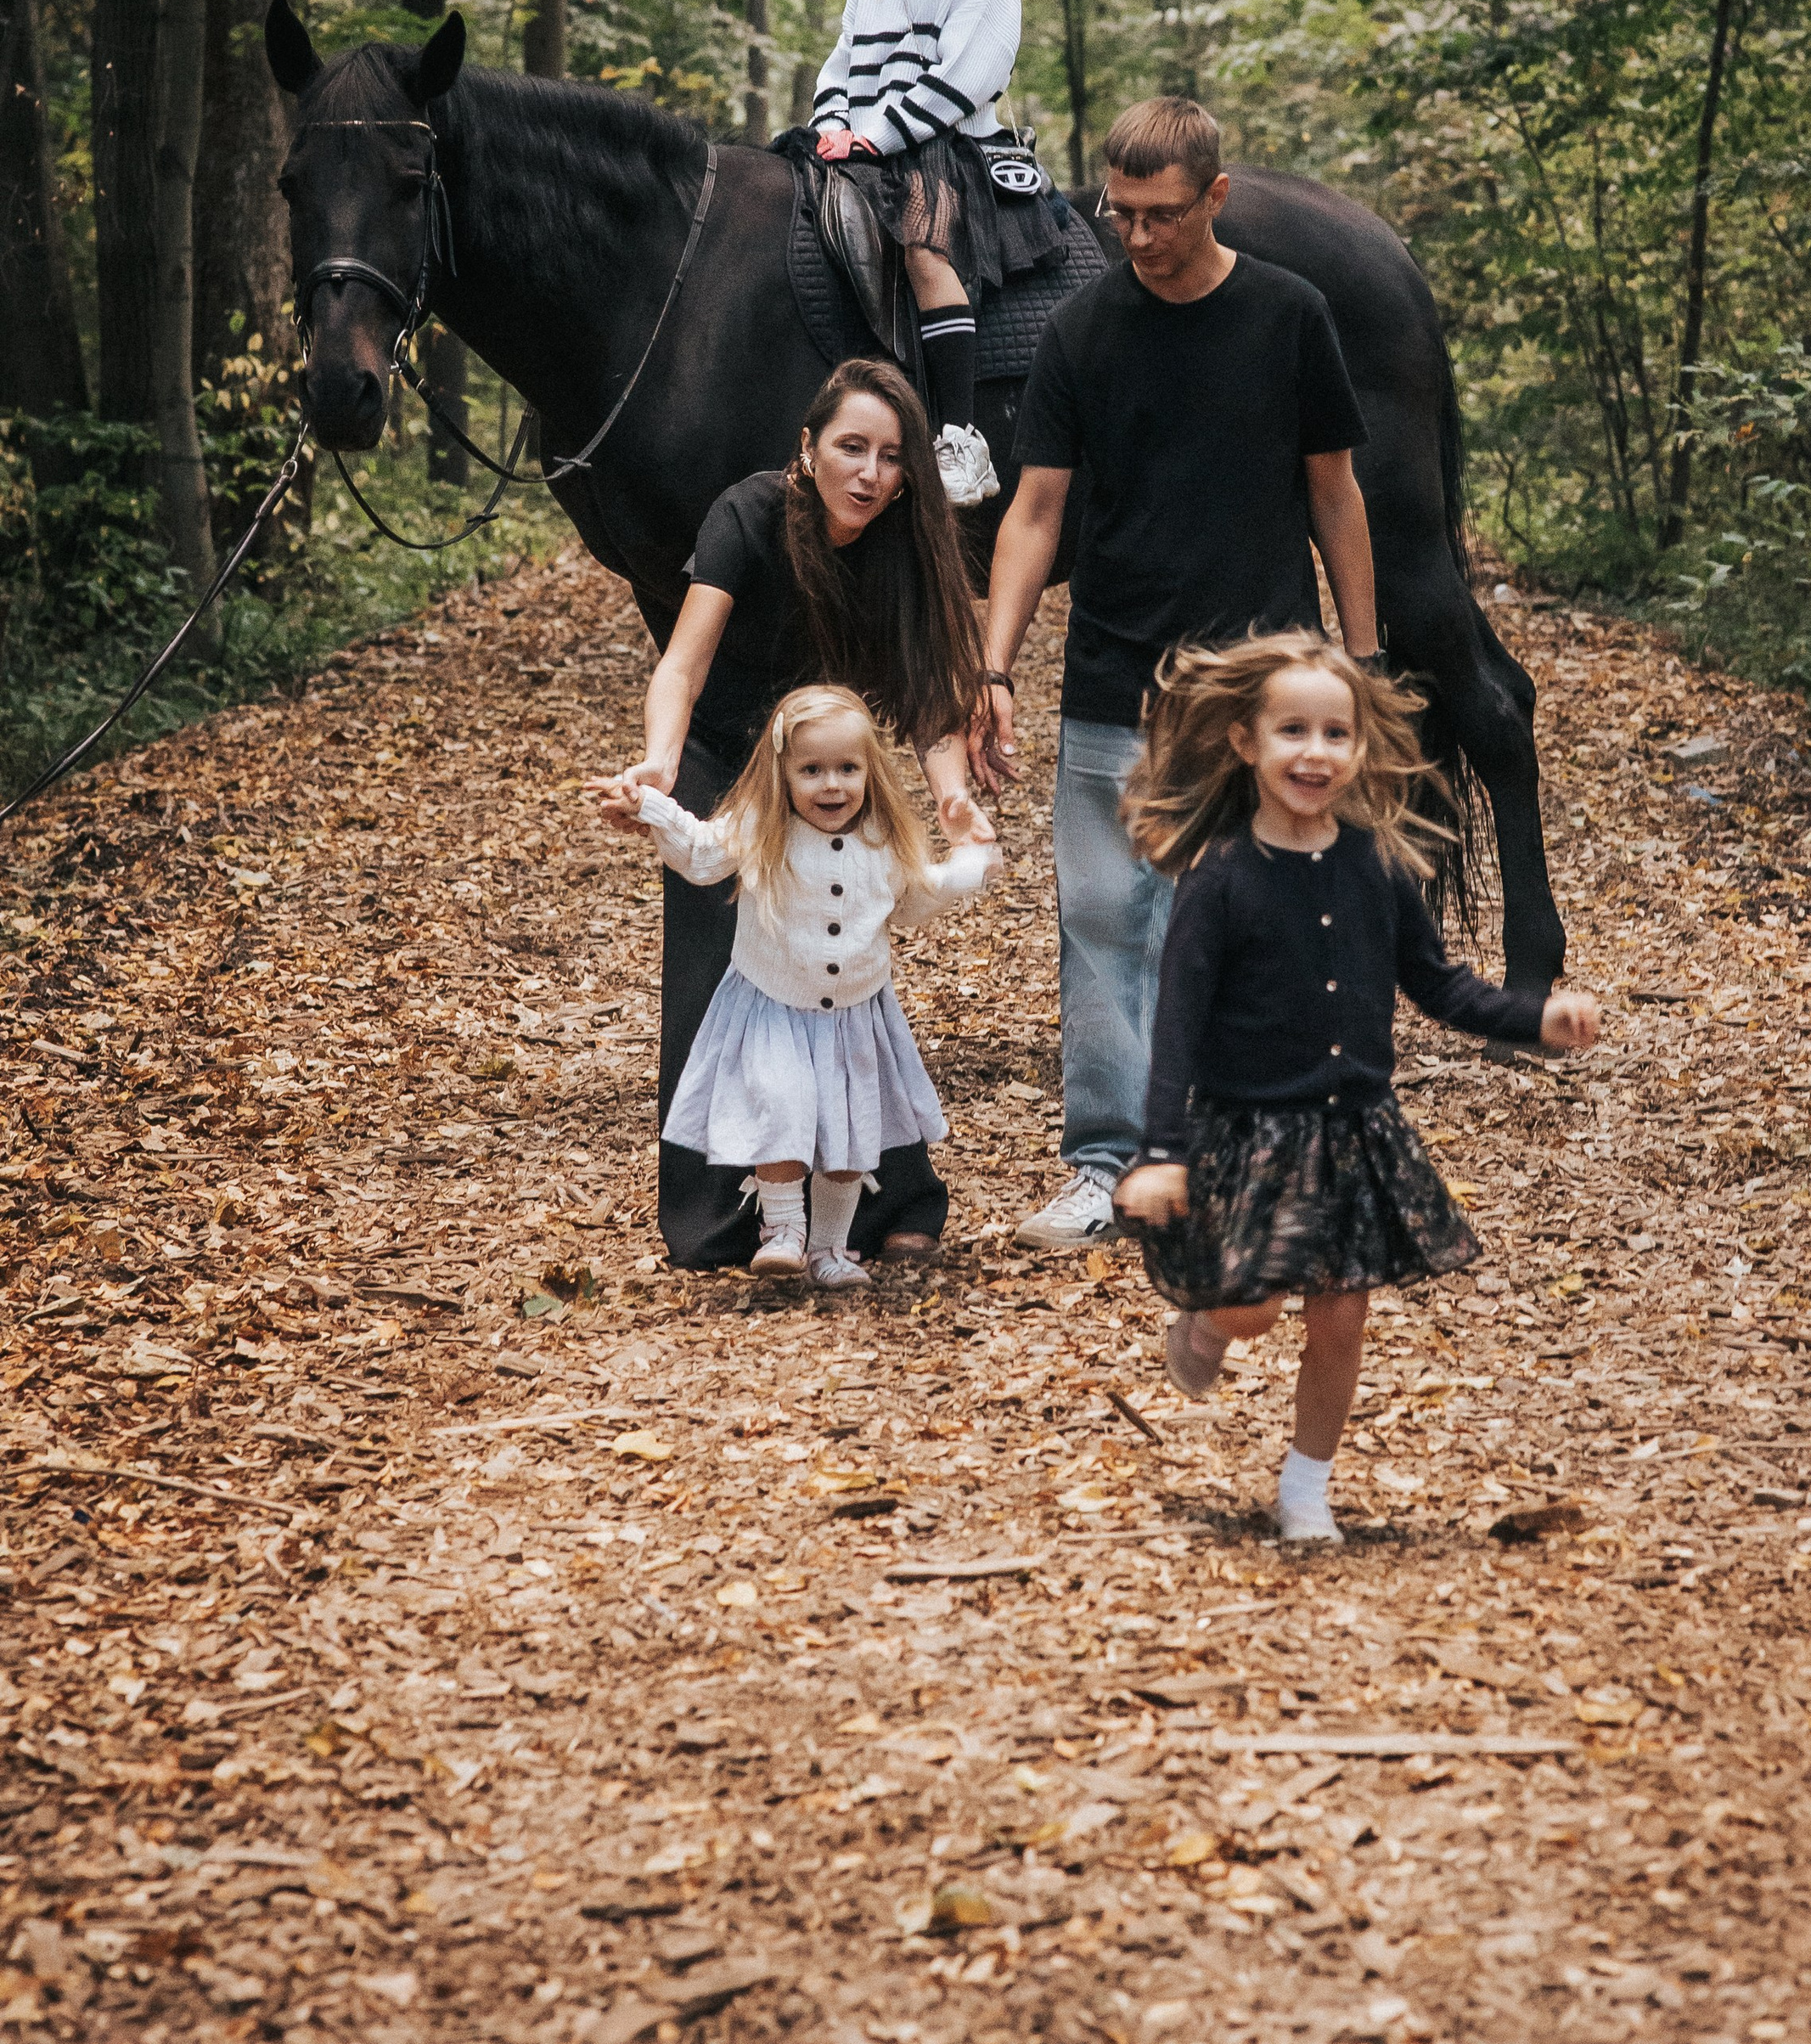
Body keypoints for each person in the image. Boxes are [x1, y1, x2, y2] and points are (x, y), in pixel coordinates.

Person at [976, 92, 1381, 1249]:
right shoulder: (1081, 331)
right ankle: (1109, 1165)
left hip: (1263, 691)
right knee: (1107, 921)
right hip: (1116, 673)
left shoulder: (1290, 316)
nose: (1138, 236)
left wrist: (1363, 661)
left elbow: (1336, 495)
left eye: (1161, 214)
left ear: (1215, 197)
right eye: (1121, 214)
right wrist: (994, 667)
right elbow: (1034, 513)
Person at [1111, 633, 1601, 1542]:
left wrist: (1532, 1018)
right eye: (1292, 731)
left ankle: (1306, 1489)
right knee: (1253, 1308)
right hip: (1249, 1133)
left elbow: (1439, 986)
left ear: (1361, 747)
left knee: (1339, 1320)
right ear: (1245, 742)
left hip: (1352, 1133)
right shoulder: (1219, 880)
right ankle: (1207, 1327)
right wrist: (1161, 1153)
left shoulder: (1377, 865)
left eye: (1336, 734)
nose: (1316, 753)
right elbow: (1175, 1027)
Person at [594, 358, 993, 1279]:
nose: (870, 473)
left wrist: (950, 796)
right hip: (728, 763)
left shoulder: (904, 543)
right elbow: (683, 663)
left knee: (846, 974)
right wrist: (659, 760)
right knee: (716, 983)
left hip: (827, 773)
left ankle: (889, 1203)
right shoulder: (748, 515)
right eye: (851, 447)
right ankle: (719, 1219)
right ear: (808, 449)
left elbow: (927, 696)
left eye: (891, 457)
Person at [600, 685, 1002, 1290]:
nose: (831, 785)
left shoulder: (883, 841)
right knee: (782, 1107)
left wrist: (972, 856)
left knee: (848, 1136)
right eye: (811, 770)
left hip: (854, 1016)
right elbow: (701, 854)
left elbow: (917, 897)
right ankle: (783, 1230)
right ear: (782, 774)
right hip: (774, 1008)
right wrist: (650, 805)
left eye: (847, 769)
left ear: (870, 772)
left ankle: (829, 1250)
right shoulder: (763, 828)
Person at [810, 0, 1067, 510]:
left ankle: (960, 435)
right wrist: (832, 127)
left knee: (925, 252)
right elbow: (842, 64)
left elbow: (967, 76)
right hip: (868, 146)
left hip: (943, 146)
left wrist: (878, 136)